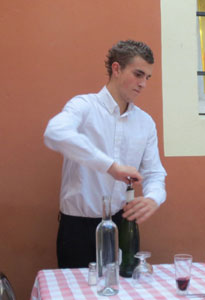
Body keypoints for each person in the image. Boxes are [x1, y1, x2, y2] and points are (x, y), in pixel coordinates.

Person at [44, 40, 167, 268]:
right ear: (117, 69)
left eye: (147, 78)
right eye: (138, 74)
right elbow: (54, 132)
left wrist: (153, 198)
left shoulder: (145, 122)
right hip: (77, 229)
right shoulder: (83, 106)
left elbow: (154, 173)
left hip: (123, 225)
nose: (143, 84)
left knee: (127, 290)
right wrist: (111, 167)